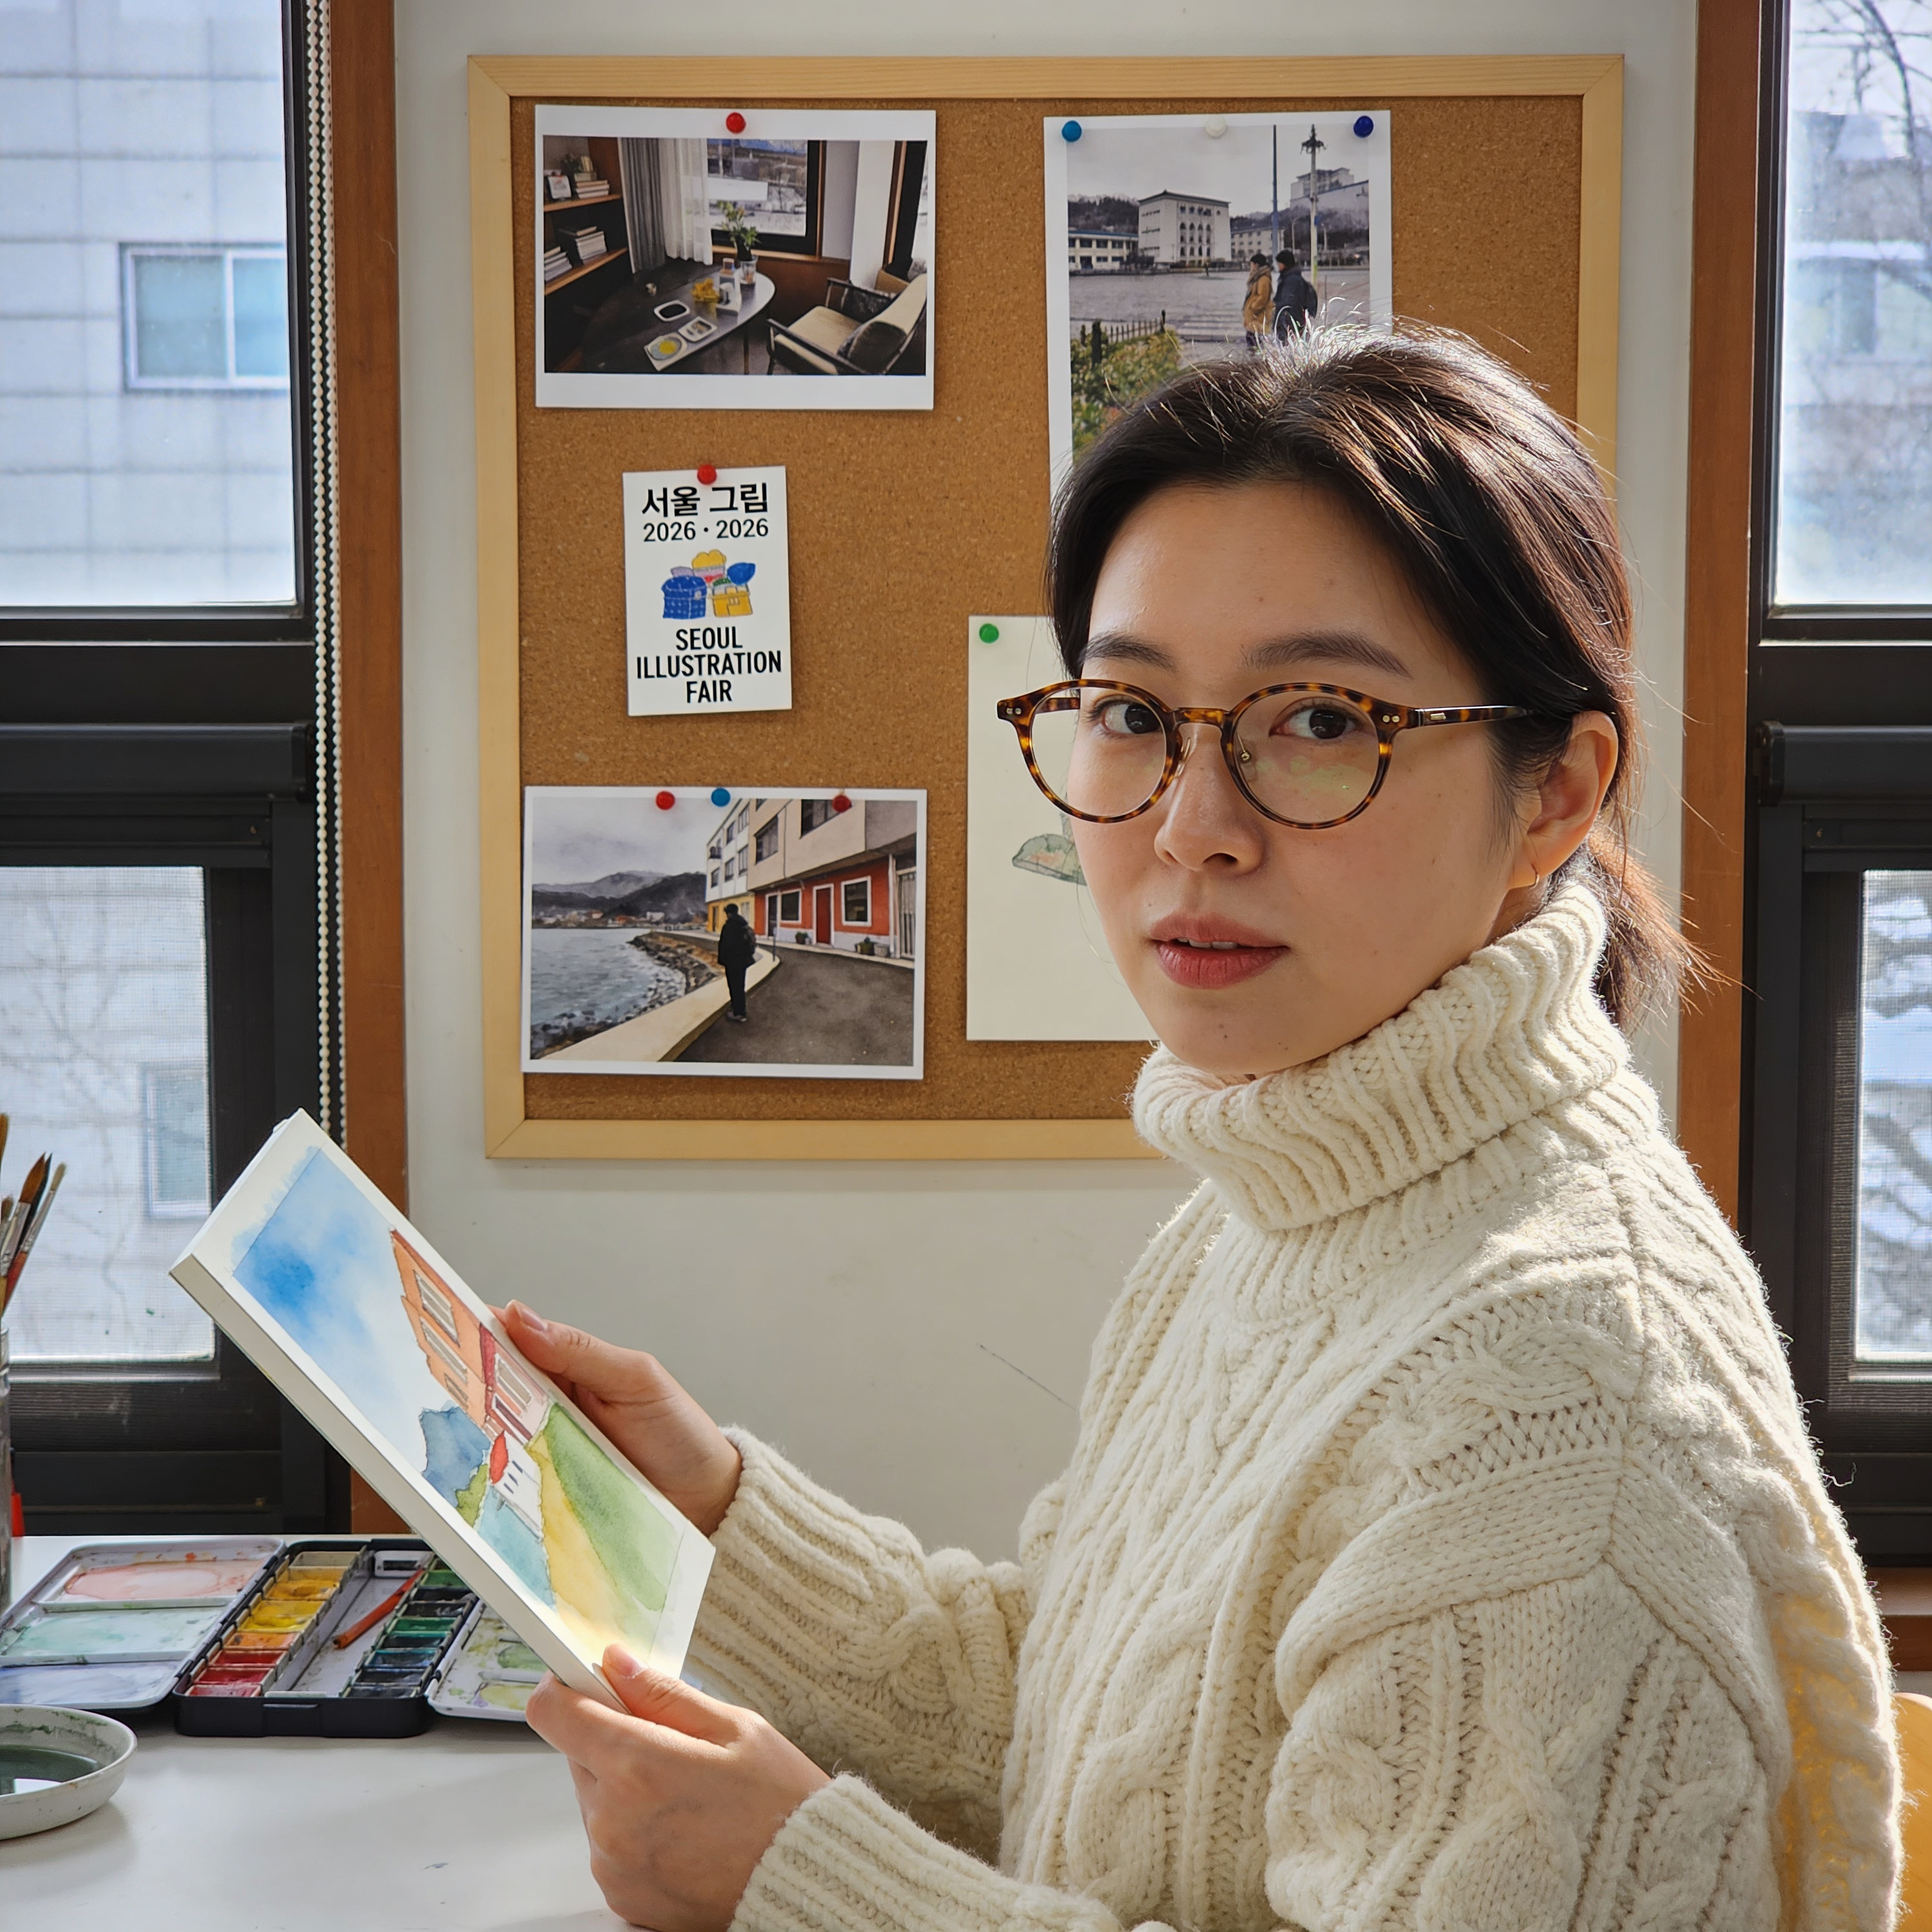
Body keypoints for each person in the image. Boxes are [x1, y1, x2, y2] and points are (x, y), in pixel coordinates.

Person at [501, 330, 1900, 1932]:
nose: (1189, 825)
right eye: (1127, 708)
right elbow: (1103, 1724)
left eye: (1316, 719)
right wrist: (718, 1515)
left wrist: (807, 1884)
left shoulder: (1560, 1411)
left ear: (1551, 795)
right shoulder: (1284, 1194)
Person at [716, 903, 755, 1022]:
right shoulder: (743, 925)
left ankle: (739, 1013)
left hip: (732, 963)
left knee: (734, 987)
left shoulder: (729, 926)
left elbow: (725, 946)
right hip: (743, 962)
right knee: (740, 986)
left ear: (729, 913)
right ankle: (740, 1010)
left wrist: (723, 960)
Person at [1273, 247, 1318, 336]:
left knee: (1288, 347)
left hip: (1290, 325)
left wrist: (1283, 326)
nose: (1278, 266)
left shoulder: (1292, 280)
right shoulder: (1290, 278)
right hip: (1292, 324)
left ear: (1285, 264)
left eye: (1280, 263)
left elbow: (1288, 304)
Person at [1240, 251, 1273, 351]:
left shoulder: (1263, 279)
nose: (1251, 267)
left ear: (1256, 265)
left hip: (1258, 320)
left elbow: (1263, 298)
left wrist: (1252, 308)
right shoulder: (1257, 278)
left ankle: (1257, 365)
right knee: (1253, 347)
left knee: (1256, 348)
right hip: (1254, 321)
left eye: (1252, 265)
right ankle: (1254, 364)